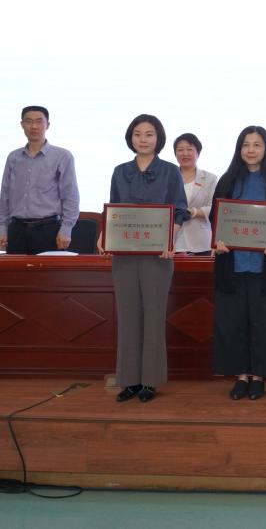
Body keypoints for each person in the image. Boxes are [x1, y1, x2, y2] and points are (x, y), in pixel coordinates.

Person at [101, 114, 188, 403]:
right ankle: (129, 381)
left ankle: (150, 381)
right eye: (137, 134)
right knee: (127, 316)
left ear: (158, 138)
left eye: (149, 134)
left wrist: (169, 241)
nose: (143, 139)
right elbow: (113, 210)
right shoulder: (119, 171)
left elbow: (180, 210)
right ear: (130, 138)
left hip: (158, 256)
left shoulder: (170, 171)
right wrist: (104, 235)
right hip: (124, 255)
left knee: (153, 316)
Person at [212, 126, 266, 401]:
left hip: (264, 264)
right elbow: (216, 216)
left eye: (257, 144)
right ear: (239, 148)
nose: (251, 150)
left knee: (264, 322)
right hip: (231, 263)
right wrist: (220, 239)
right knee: (233, 322)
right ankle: (241, 375)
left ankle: (259, 376)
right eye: (246, 144)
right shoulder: (227, 180)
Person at [0, 105, 80, 254]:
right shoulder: (13, 157)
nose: (34, 126)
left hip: (49, 230)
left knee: (48, 271)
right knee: (15, 270)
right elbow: (4, 196)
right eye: (29, 121)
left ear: (47, 125)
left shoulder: (62, 156)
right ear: (22, 125)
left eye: (39, 121)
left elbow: (70, 196)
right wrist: (2, 228)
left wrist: (66, 229)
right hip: (17, 230)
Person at [173, 133, 218, 256]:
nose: (185, 153)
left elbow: (215, 208)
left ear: (198, 153)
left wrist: (194, 212)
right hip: (173, 242)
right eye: (180, 150)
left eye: (190, 149)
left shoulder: (210, 178)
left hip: (201, 242)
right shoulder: (168, 178)